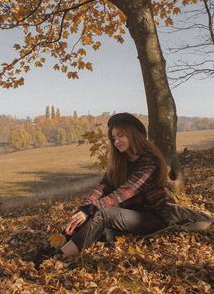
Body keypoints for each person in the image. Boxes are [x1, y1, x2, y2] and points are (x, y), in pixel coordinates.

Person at [34, 113, 213, 267]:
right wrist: (84, 209)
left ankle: (59, 257)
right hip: (130, 215)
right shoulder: (120, 162)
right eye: (114, 138)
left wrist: (91, 209)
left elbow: (125, 192)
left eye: (121, 136)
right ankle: (56, 245)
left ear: (133, 135)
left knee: (103, 214)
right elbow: (103, 187)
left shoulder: (149, 161)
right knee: (89, 213)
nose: (117, 141)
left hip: (154, 217)